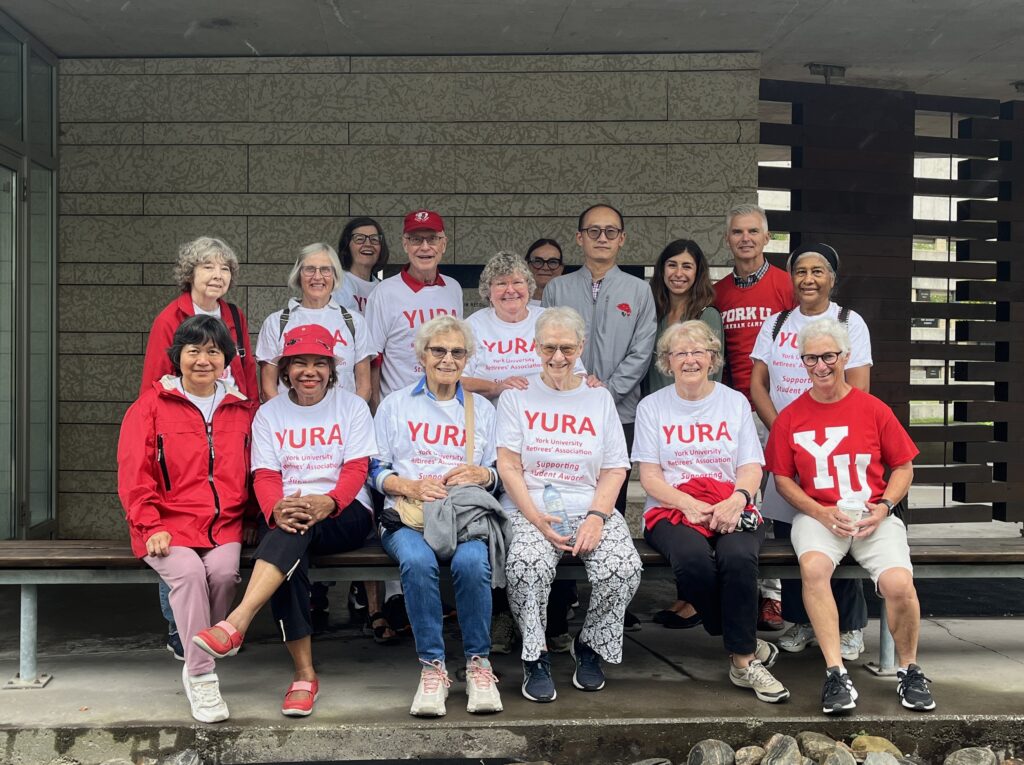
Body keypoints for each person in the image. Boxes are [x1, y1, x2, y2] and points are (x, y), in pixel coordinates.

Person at [192, 324, 378, 718]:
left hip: (346, 513)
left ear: (331, 369)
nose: (309, 372)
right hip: (289, 511)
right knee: (291, 541)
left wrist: (329, 500)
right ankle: (303, 675)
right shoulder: (269, 413)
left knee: (293, 530)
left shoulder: (352, 407)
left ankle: (239, 622)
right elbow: (265, 474)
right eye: (299, 363)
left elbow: (357, 468)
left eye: (318, 364)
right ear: (285, 369)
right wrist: (275, 507)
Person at [764, 318, 935, 715]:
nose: (820, 366)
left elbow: (905, 466)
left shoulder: (872, 409)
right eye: (811, 358)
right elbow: (783, 481)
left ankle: (910, 669)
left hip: (872, 514)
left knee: (898, 583)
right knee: (814, 568)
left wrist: (885, 507)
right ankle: (835, 672)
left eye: (828, 356)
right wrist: (818, 512)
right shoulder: (790, 417)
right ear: (802, 361)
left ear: (845, 356)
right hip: (820, 515)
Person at [633, 320, 789, 704]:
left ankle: (743, 660)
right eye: (680, 353)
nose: (689, 359)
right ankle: (744, 641)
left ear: (713, 358)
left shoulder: (733, 401)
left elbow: (752, 465)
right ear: (667, 362)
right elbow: (649, 477)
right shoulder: (652, 406)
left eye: (698, 351)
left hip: (730, 501)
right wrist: (689, 505)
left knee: (737, 557)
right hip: (673, 508)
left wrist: (737, 499)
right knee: (693, 561)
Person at [498, 307, 642, 703]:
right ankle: (536, 655)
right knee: (528, 565)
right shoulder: (516, 397)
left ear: (580, 347)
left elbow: (615, 468)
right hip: (531, 507)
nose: (558, 357)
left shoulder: (598, 398)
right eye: (548, 347)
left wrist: (597, 517)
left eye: (566, 348)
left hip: (589, 505)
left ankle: (591, 645)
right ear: (534, 346)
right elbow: (508, 465)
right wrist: (535, 519)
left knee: (622, 568)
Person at [118, 315, 253, 723]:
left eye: (213, 351)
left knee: (226, 573)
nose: (203, 359)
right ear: (178, 357)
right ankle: (201, 675)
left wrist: (250, 518)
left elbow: (255, 469)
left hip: (224, 523)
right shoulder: (150, 407)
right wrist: (149, 524)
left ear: (226, 359)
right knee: (190, 574)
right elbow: (134, 472)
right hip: (165, 525)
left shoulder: (242, 409)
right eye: (193, 351)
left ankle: (196, 639)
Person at [370, 316, 505, 717]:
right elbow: (374, 469)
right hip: (408, 516)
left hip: (463, 516)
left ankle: (479, 664)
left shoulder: (481, 409)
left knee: (471, 562)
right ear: (422, 355)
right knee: (416, 561)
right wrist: (410, 486)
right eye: (438, 350)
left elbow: (500, 472)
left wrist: (483, 474)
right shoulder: (396, 404)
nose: (447, 359)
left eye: (457, 352)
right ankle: (433, 667)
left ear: (468, 358)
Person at [750, 243, 872, 661]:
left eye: (817, 271)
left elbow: (858, 389)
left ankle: (851, 627)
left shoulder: (849, 322)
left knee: (842, 531)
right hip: (788, 443)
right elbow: (757, 385)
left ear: (832, 278)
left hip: (835, 448)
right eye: (800, 271)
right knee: (793, 536)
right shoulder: (776, 323)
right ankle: (802, 621)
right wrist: (783, 432)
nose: (808, 279)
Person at [139, 236, 257, 661]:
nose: (216, 276)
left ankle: (210, 634)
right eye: (207, 267)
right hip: (180, 433)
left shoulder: (235, 317)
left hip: (225, 423)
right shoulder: (170, 318)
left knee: (223, 567)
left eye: (224, 268)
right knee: (180, 548)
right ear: (189, 273)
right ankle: (179, 629)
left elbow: (243, 374)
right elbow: (153, 381)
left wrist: (249, 419)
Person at [542, 203, 656, 630]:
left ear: (622, 238)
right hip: (562, 413)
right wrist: (574, 387)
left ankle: (610, 597)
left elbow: (642, 350)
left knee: (610, 501)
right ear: (580, 238)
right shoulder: (557, 289)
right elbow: (552, 343)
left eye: (611, 232)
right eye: (594, 231)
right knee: (562, 493)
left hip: (617, 411)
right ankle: (561, 595)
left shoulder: (638, 291)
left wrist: (605, 392)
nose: (602, 238)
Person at [712, 204, 795, 632]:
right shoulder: (719, 292)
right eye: (737, 231)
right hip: (734, 408)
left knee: (776, 498)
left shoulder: (785, 286)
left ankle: (774, 596)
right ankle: (742, 585)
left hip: (778, 406)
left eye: (753, 232)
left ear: (766, 239)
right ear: (728, 239)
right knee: (741, 498)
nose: (745, 238)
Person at [644, 238, 723, 631]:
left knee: (695, 500)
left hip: (690, 421)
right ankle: (689, 595)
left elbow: (711, 374)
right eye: (671, 264)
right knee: (671, 504)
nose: (678, 272)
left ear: (698, 273)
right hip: (657, 417)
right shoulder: (654, 310)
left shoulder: (706, 315)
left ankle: (696, 601)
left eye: (687, 266)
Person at [364, 209, 463, 406]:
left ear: (444, 244)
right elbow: (372, 358)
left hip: (445, 405)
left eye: (432, 239)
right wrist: (376, 409)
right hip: (399, 409)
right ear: (405, 244)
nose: (425, 247)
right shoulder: (384, 292)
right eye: (416, 239)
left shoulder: (453, 288)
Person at [256, 243, 372, 403]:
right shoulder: (276, 322)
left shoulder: (354, 322)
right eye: (310, 269)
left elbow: (364, 387)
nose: (317, 277)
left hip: (341, 423)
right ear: (298, 274)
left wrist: (350, 420)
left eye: (325, 269)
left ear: (335, 275)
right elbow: (268, 388)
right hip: (291, 422)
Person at [463, 250, 585, 400]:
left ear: (529, 286)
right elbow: (457, 380)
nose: (510, 290)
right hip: (490, 416)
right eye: (501, 283)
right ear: (488, 291)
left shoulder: (548, 319)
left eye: (517, 282)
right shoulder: (472, 326)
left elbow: (578, 373)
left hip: (545, 414)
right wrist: (496, 388)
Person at [333, 217, 390, 314]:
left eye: (374, 239)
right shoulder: (335, 283)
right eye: (359, 239)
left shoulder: (383, 289)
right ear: (347, 245)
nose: (368, 244)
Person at [525, 238, 564, 306]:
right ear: (527, 266)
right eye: (537, 261)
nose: (545, 268)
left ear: (561, 268)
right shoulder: (513, 303)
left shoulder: (572, 302)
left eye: (553, 262)